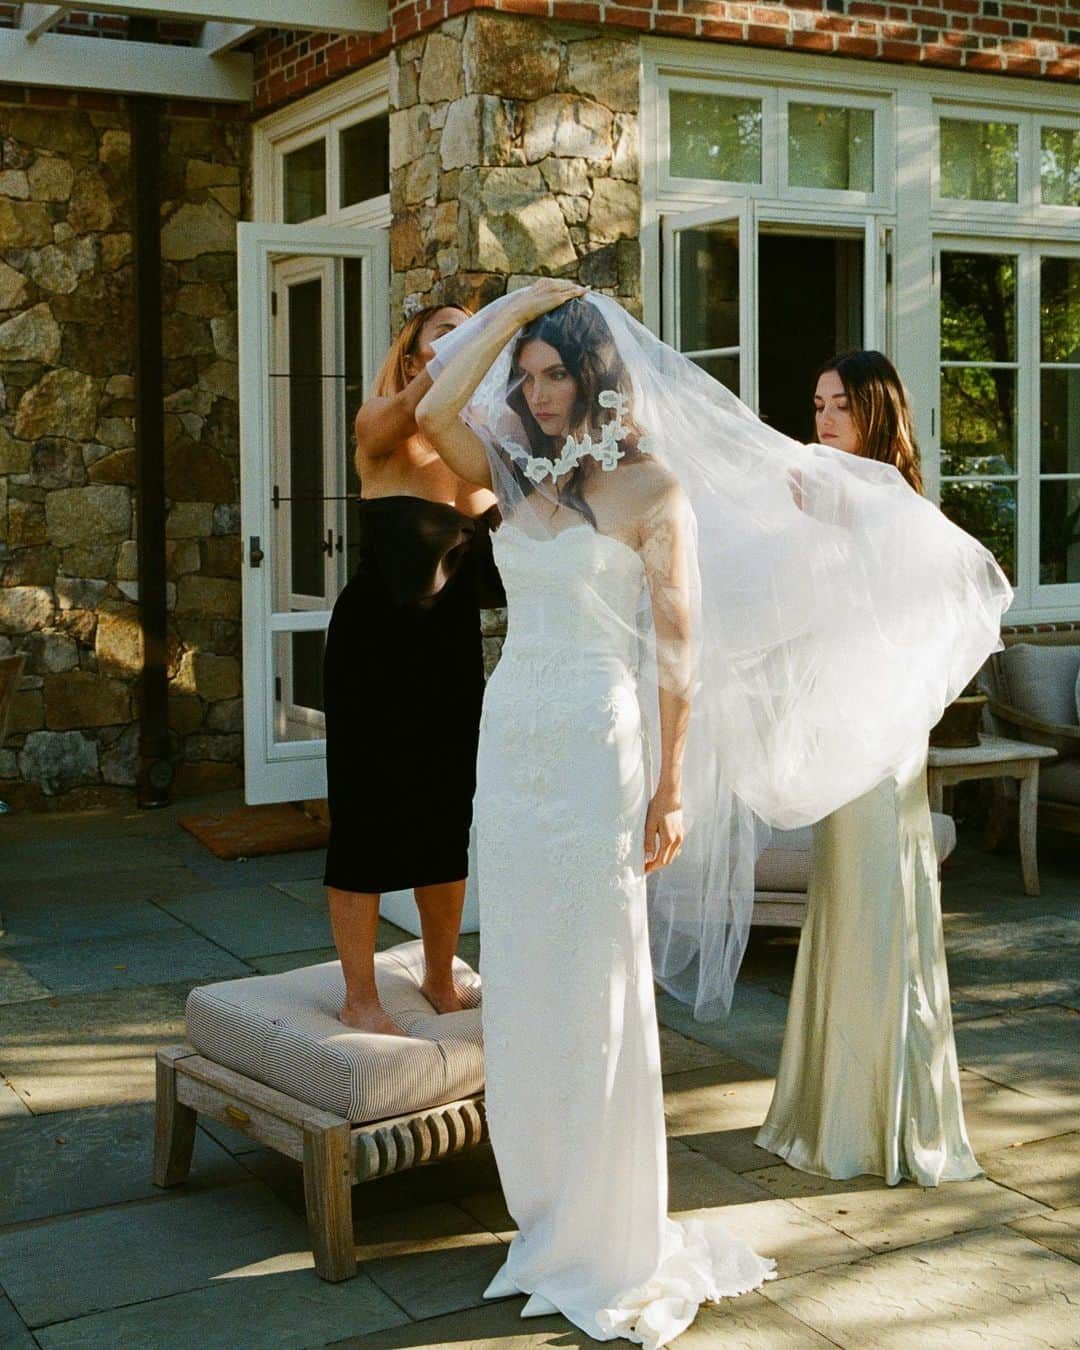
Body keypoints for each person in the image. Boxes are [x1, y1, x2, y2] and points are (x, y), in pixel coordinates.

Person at [416, 290, 1009, 1346]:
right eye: (530, 376)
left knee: (596, 975)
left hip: (601, 741)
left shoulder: (656, 487)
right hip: (511, 740)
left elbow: (682, 654)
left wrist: (674, 783)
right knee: (523, 967)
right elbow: (428, 412)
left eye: (558, 373)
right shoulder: (515, 467)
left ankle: (610, 1231)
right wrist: (514, 312)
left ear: (597, 379)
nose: (540, 393)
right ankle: (544, 1210)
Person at [755, 350, 982, 1186]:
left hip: (881, 739)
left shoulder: (889, 502)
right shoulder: (828, 491)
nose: (823, 419)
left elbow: (914, 617)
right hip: (843, 729)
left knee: (882, 903)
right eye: (816, 404)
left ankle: (881, 1118)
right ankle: (831, 1105)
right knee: (845, 900)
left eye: (840, 405)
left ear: (876, 411)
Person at [322, 302, 502, 1036]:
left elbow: (528, 522)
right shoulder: (379, 428)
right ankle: (359, 996)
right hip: (374, 647)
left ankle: (437, 974)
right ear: (409, 358)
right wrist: (469, 352)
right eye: (445, 337)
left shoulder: (474, 453)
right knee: (366, 813)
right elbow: (404, 414)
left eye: (470, 338)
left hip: (449, 649)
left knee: (443, 813)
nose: (461, 348)